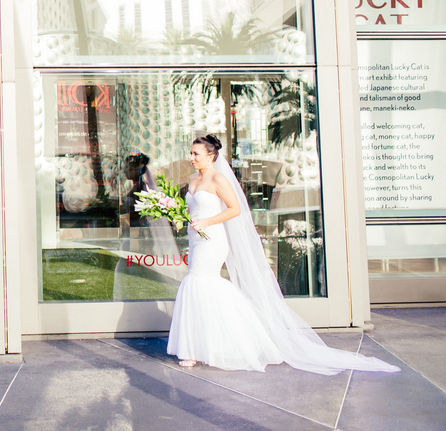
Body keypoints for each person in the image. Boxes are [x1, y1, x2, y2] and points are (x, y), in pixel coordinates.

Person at [167, 134, 399, 375]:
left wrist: (208, 221)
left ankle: (214, 344)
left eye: (196, 153)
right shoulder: (193, 179)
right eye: (191, 153)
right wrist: (180, 218)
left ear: (211, 156)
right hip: (196, 239)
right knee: (200, 284)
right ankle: (204, 344)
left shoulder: (219, 179)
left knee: (200, 282)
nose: (191, 157)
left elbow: (235, 209)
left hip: (213, 241)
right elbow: (193, 208)